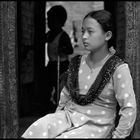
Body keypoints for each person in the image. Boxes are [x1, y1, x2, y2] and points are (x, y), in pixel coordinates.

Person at [21, 9, 137, 138]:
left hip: (96, 125)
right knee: (40, 126)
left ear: (107, 35)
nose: (84, 36)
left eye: (90, 31)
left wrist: (119, 136)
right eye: (83, 31)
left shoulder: (118, 68)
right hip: (69, 117)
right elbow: (65, 97)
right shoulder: (77, 63)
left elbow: (128, 108)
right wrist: (56, 119)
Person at [44, 5, 73, 109]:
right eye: (48, 20)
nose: (49, 22)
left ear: (60, 21)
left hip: (62, 65)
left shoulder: (63, 35)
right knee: (47, 84)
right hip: (52, 64)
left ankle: (60, 106)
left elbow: (70, 50)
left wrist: (63, 49)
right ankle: (48, 104)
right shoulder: (49, 34)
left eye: (52, 20)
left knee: (59, 87)